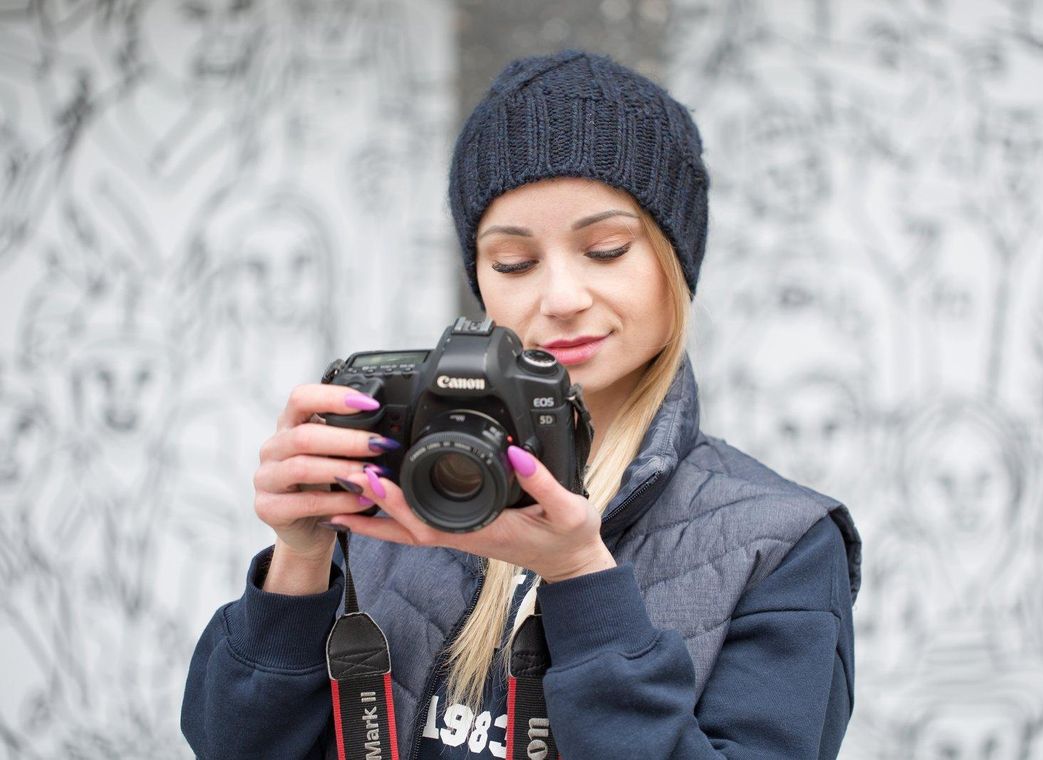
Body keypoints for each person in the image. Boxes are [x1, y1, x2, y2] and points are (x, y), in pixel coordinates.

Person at [181, 49, 861, 759]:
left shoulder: (781, 543)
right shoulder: (400, 488)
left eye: (605, 249)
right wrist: (299, 558)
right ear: (479, 276)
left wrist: (579, 578)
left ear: (674, 261)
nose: (561, 298)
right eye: (514, 263)